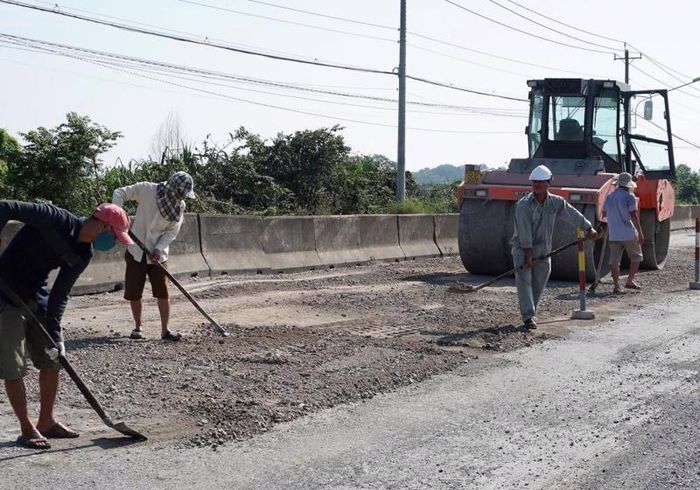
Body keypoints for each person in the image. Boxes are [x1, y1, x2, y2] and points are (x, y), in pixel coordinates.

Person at [0, 200, 133, 449]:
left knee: (52, 359)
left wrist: (56, 335)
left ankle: (47, 421)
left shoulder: (83, 254)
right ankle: (27, 428)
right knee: (13, 366)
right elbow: (4, 207)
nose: (113, 243)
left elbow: (60, 295)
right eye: (114, 236)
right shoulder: (54, 218)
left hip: (35, 296)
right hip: (5, 295)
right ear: (104, 227)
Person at [511, 165, 598, 330]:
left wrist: (588, 228)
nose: (536, 185)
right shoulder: (524, 205)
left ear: (549, 183)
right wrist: (528, 253)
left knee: (538, 283)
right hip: (523, 250)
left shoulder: (555, 202)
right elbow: (524, 231)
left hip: (544, 251)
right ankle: (528, 317)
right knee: (524, 283)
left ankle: (531, 313)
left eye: (540, 182)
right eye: (534, 182)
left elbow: (571, 214)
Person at [112, 171, 196, 341]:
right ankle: (138, 328)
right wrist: (118, 216)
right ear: (172, 187)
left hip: (158, 256)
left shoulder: (179, 206)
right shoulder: (147, 189)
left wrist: (158, 248)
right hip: (136, 251)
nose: (180, 197)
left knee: (163, 292)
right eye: (179, 192)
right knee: (134, 292)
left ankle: (165, 330)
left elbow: (172, 231)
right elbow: (119, 192)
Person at [603, 172, 644, 293]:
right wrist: (640, 233)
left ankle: (616, 286)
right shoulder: (629, 197)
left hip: (614, 233)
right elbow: (633, 215)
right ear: (628, 185)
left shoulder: (609, 196)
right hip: (628, 232)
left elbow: (604, 214)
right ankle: (629, 281)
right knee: (636, 257)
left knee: (614, 261)